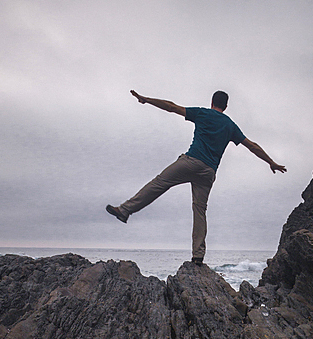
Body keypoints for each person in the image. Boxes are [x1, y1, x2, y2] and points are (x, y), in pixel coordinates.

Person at [106, 89, 286, 264]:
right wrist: (271, 162)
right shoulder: (230, 126)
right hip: (209, 172)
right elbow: (252, 146)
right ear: (226, 106)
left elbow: (171, 106)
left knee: (160, 183)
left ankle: (125, 210)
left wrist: (147, 99)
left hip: (191, 161)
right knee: (200, 210)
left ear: (212, 102)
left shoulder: (203, 113)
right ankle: (198, 255)